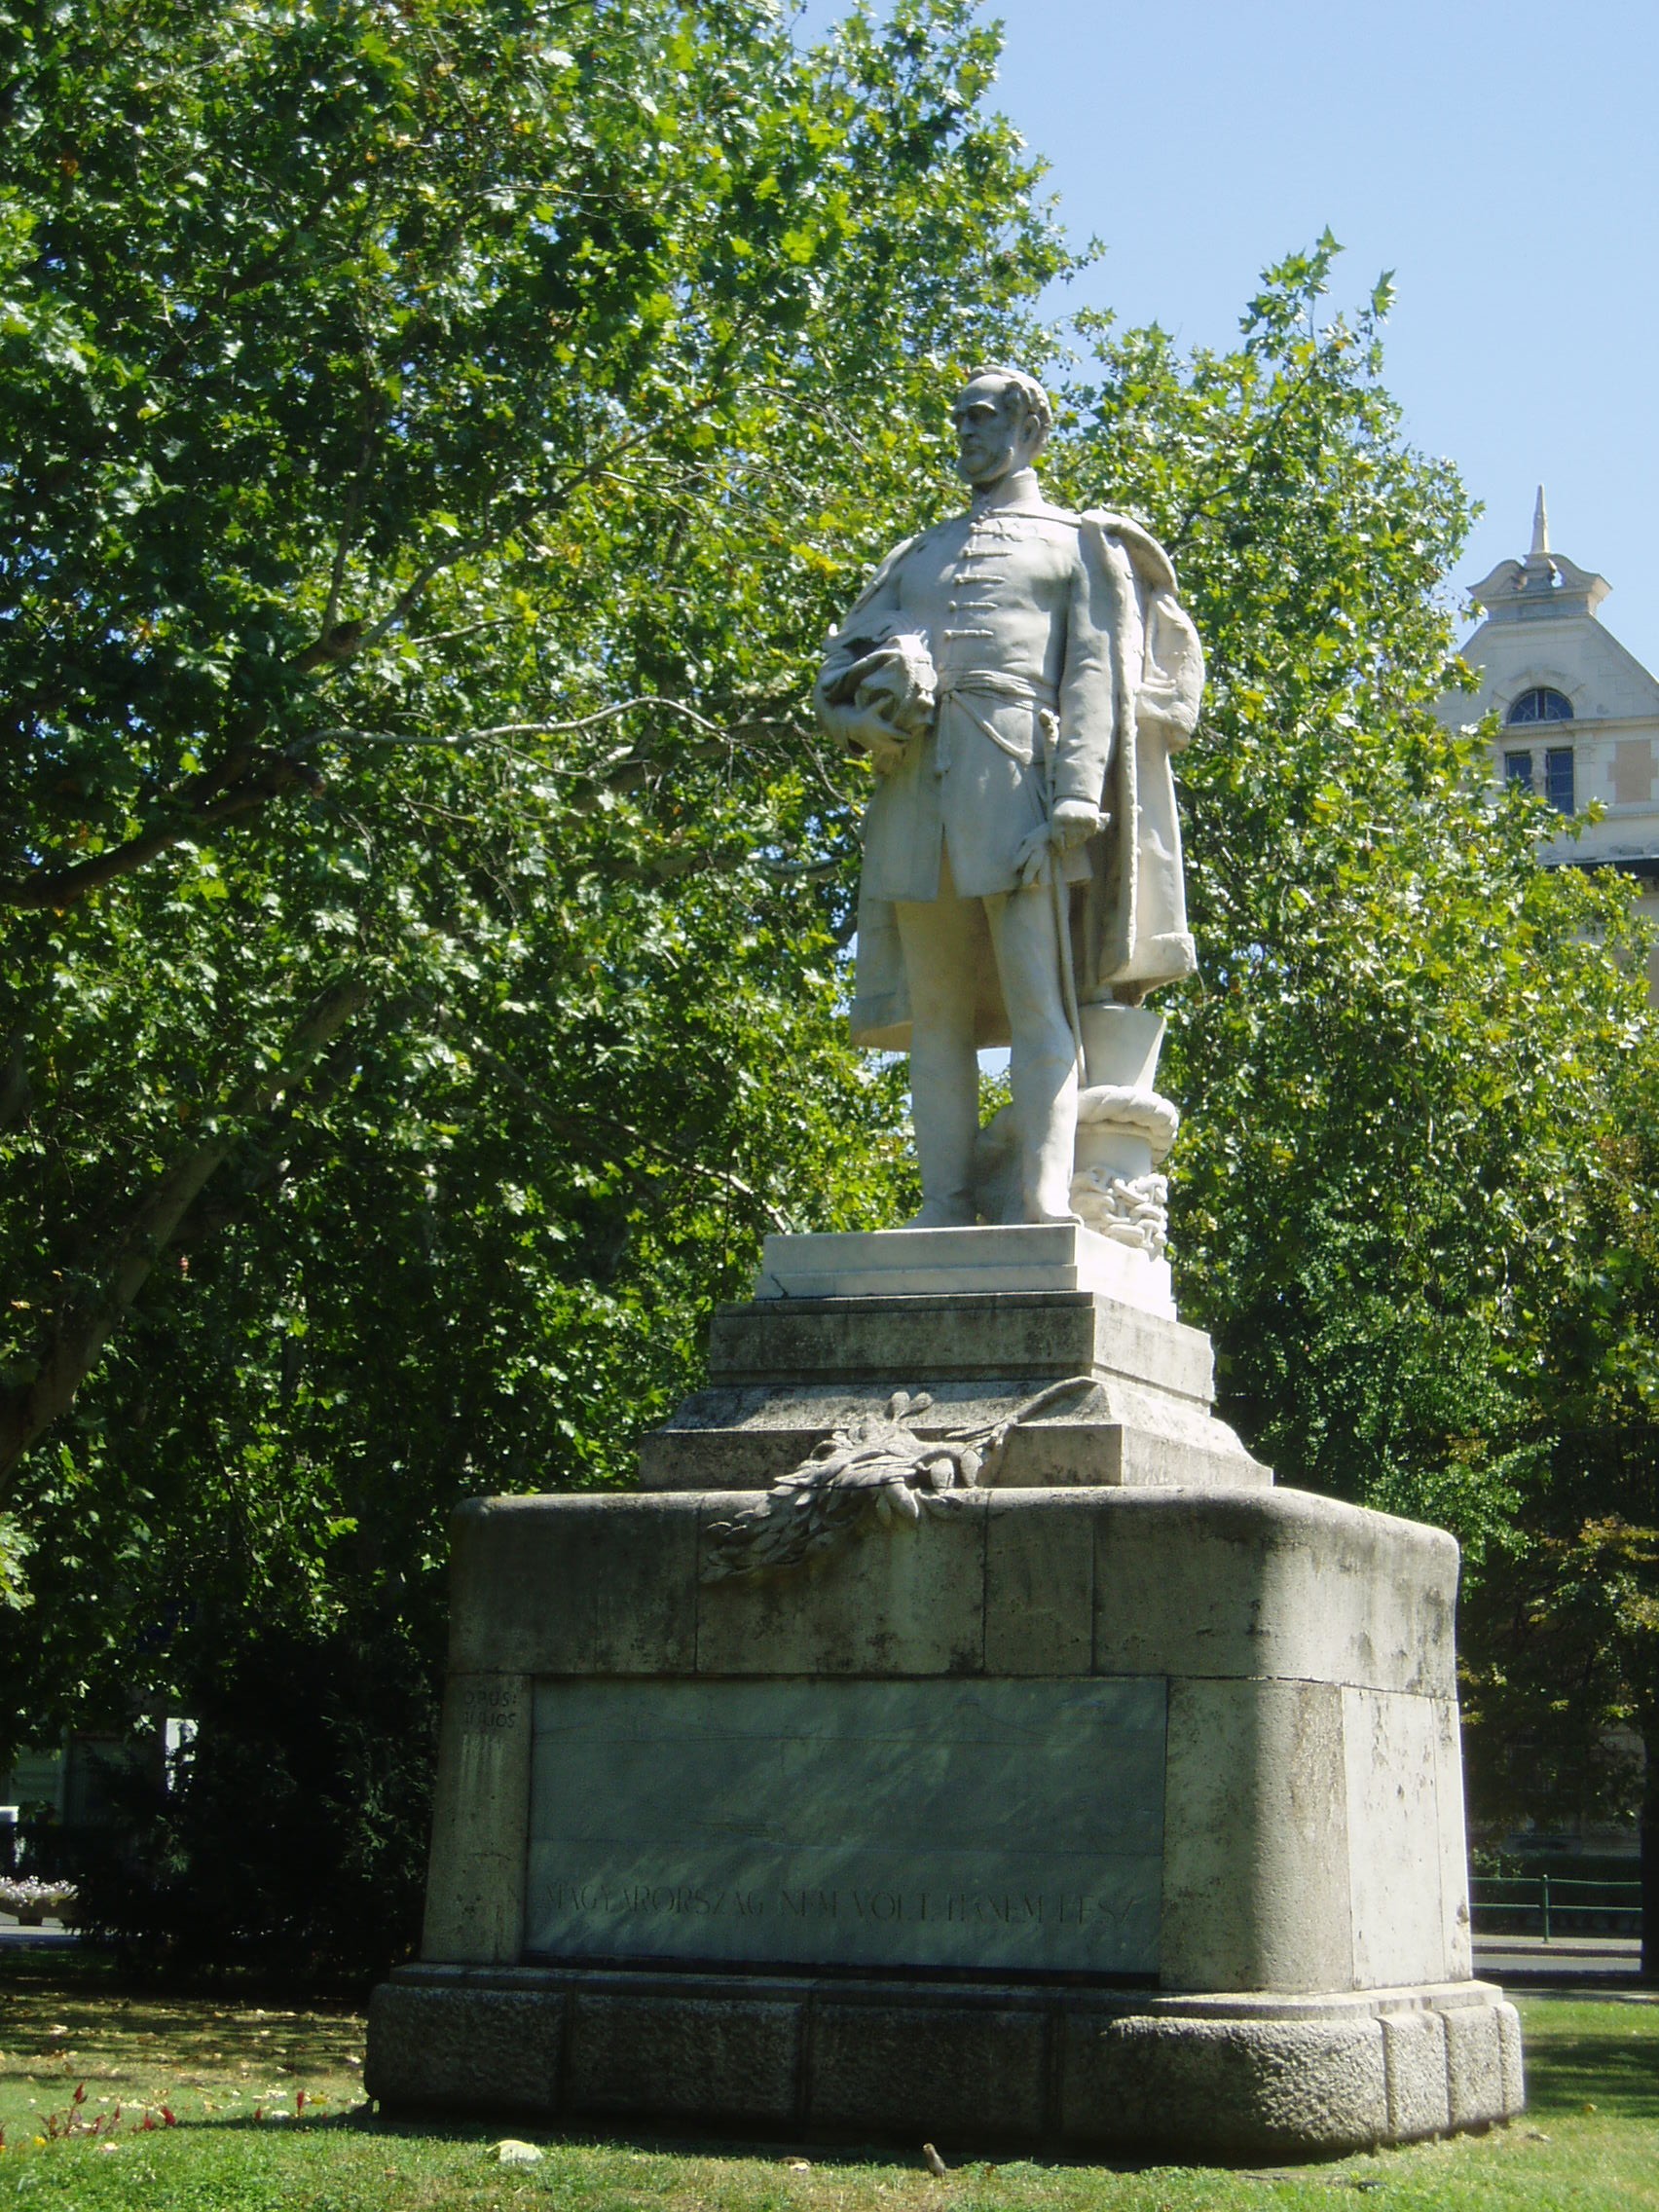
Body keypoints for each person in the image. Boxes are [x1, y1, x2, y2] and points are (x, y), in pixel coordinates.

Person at [817, 365, 1204, 1227]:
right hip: (917, 793)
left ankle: (1040, 1200)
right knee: (938, 1017)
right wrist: (856, 718)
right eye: (959, 418)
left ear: (1030, 428)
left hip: (1018, 786)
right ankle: (944, 1206)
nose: (966, 431)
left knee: (1040, 1006)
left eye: (984, 416)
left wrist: (1075, 798)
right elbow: (833, 671)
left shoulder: (1074, 542)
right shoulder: (918, 552)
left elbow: (1095, 674)